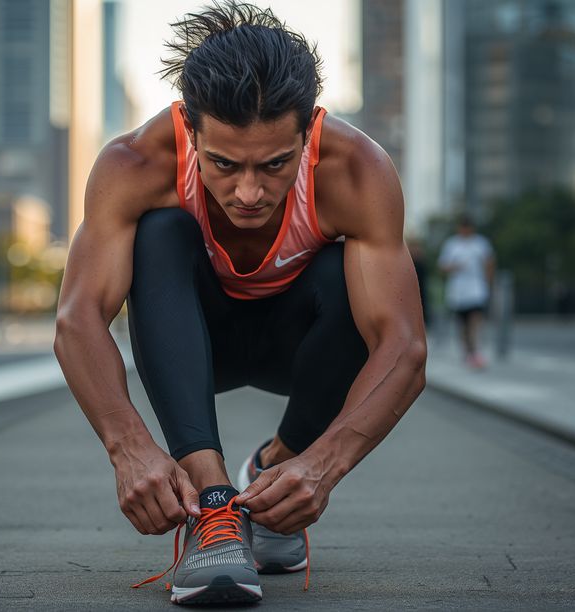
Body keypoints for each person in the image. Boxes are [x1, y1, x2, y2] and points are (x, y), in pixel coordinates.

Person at [53, 1, 427, 605]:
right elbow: (78, 319)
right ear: (190, 129)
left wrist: (321, 466)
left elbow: (403, 347)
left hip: (298, 347)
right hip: (193, 343)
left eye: (276, 164)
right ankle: (217, 509)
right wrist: (130, 449)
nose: (249, 192)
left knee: (345, 272)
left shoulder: (357, 169)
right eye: (224, 165)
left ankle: (277, 476)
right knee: (160, 232)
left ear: (308, 133)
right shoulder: (136, 163)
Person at [437, 215, 494, 369]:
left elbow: (489, 263)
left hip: (476, 289)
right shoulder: (452, 245)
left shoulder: (481, 244)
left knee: (475, 321)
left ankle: (475, 351)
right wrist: (455, 267)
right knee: (462, 325)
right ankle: (467, 352)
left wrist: (488, 284)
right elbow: (442, 266)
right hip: (458, 291)